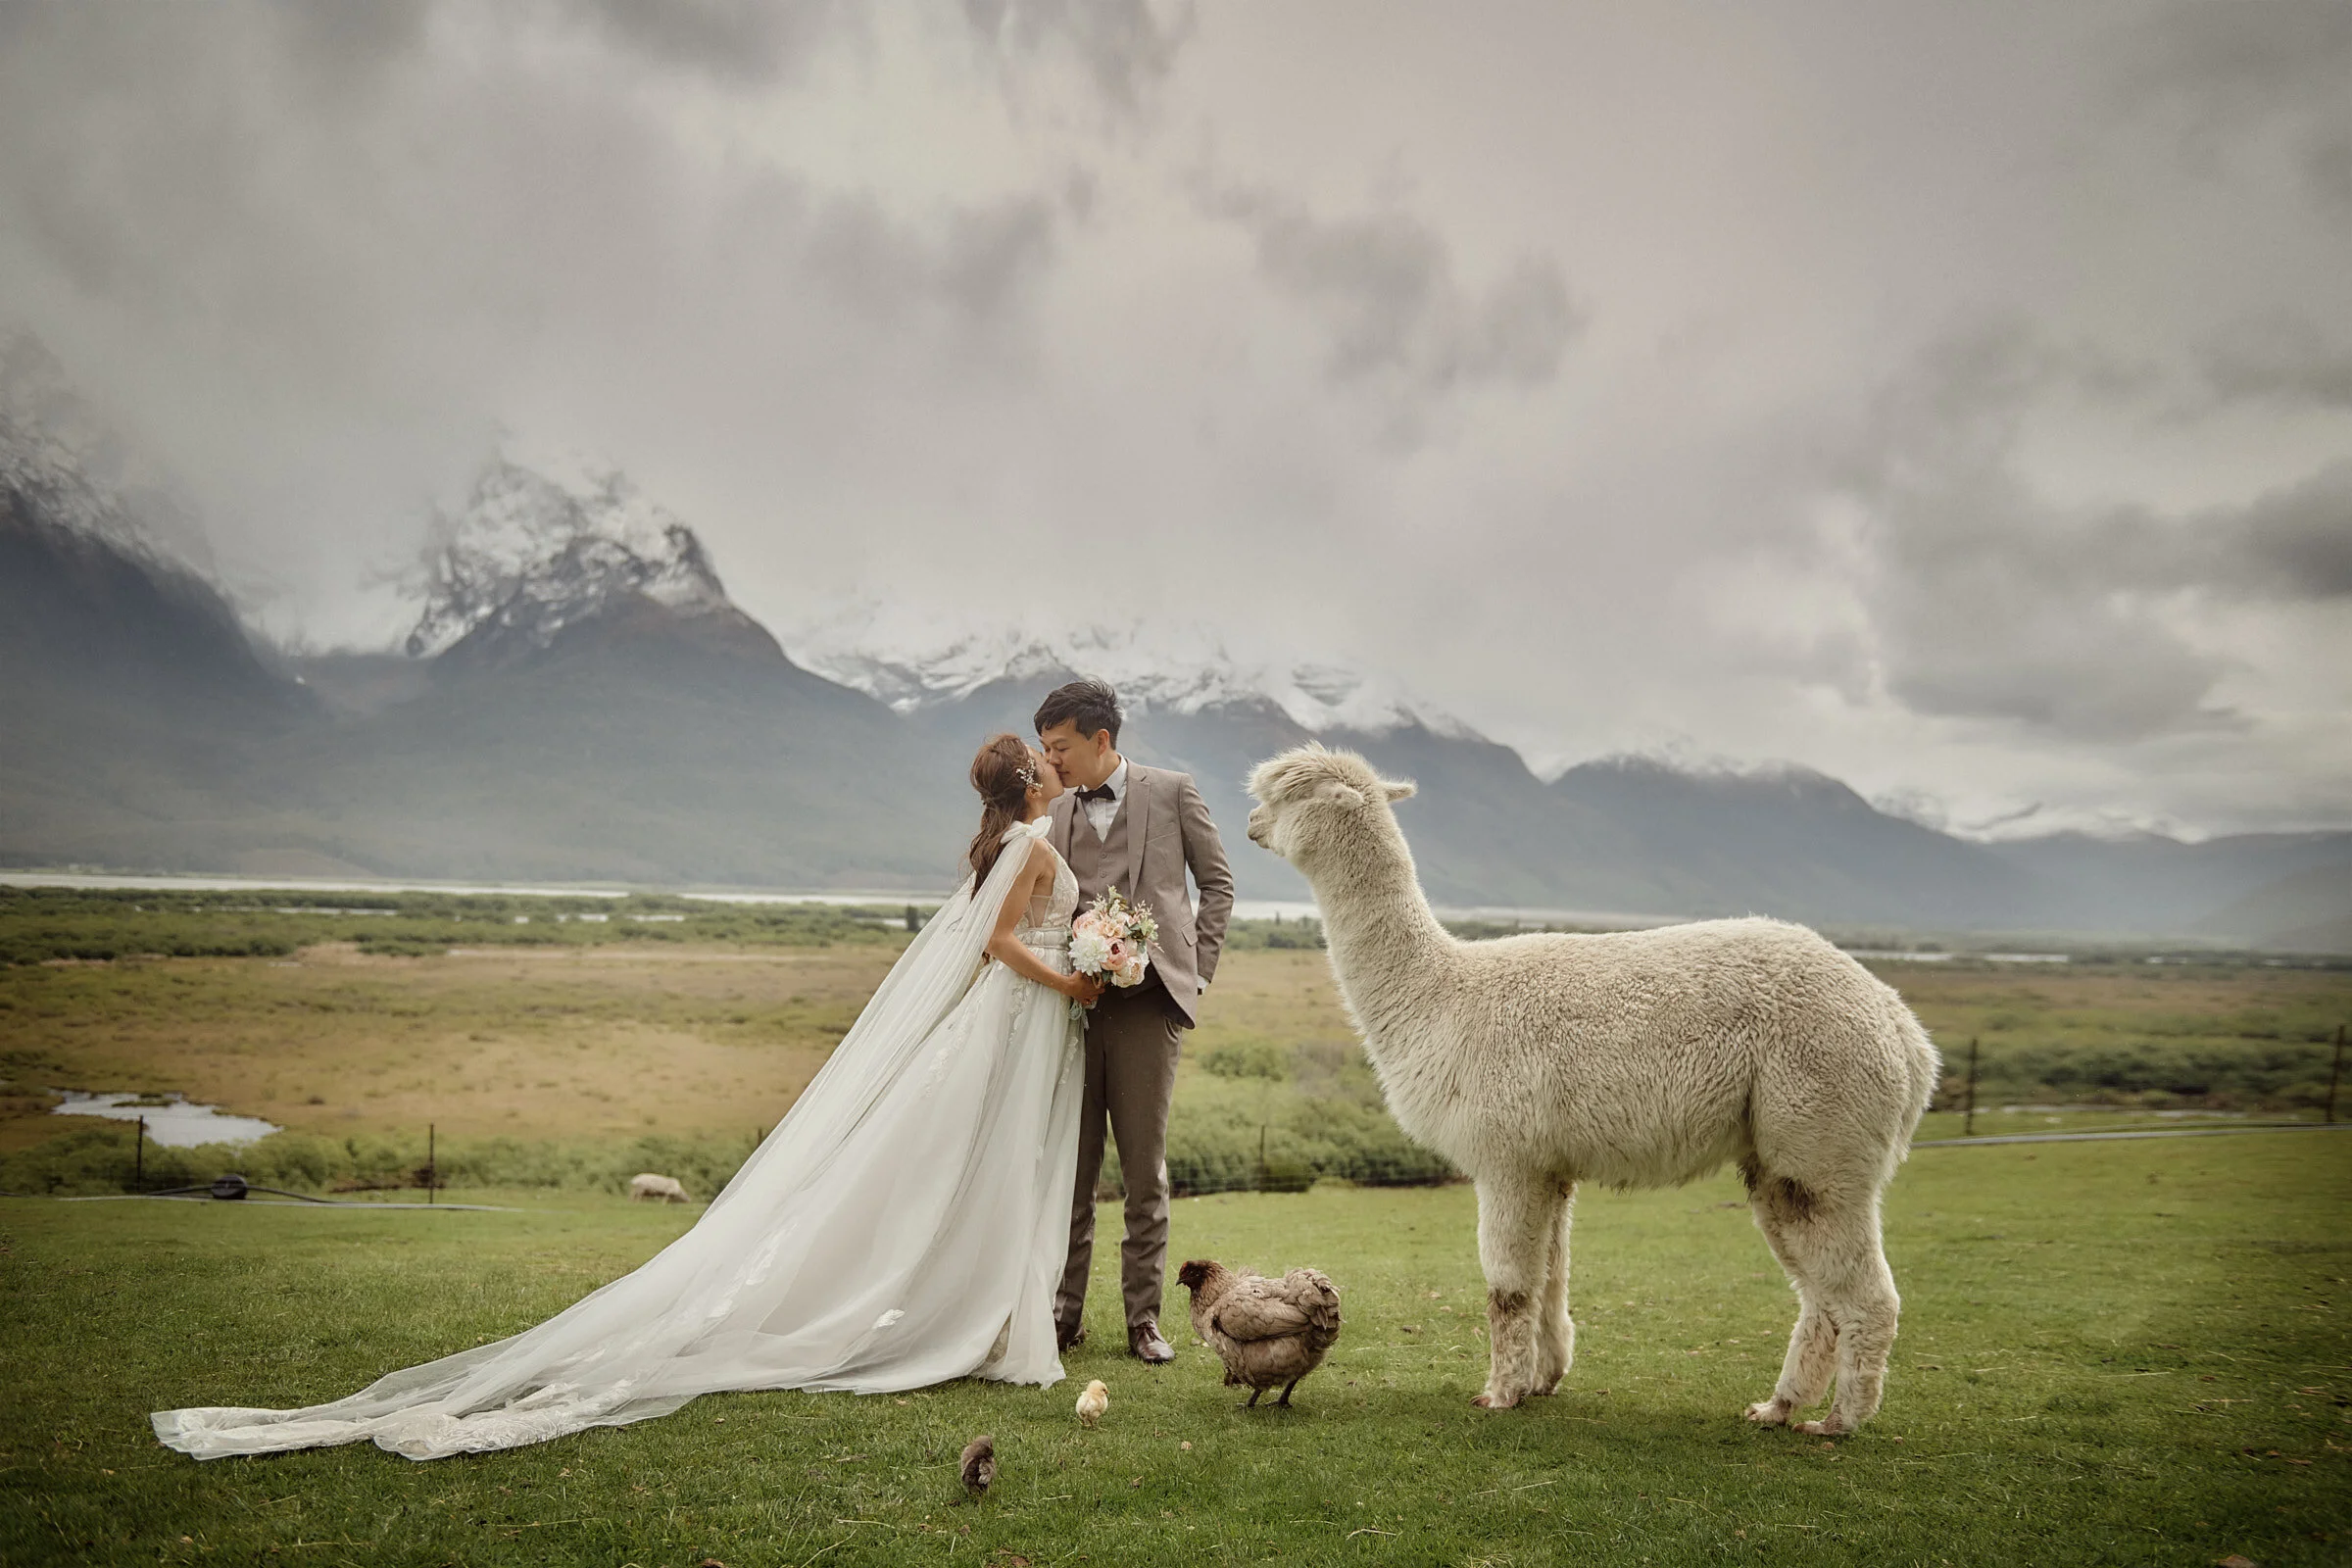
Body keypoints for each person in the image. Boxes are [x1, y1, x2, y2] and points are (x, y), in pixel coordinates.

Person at [152, 735, 1105, 1461]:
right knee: (996, 1163)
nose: (1056, 767)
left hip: (1022, 1024)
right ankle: (987, 1321)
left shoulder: (1009, 839)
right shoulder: (1025, 842)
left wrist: (1092, 953)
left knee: (1000, 1164)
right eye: (1044, 762)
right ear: (1027, 782)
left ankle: (990, 1317)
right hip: (1020, 1015)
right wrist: (1075, 977)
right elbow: (995, 945)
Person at [1034, 679, 1235, 1364]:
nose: (1052, 762)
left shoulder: (1173, 791)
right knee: (1073, 1169)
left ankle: (1144, 1322)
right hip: (1070, 1008)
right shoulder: (1054, 811)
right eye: (1044, 750)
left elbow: (1218, 883)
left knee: (1145, 1173)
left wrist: (1197, 973)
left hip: (1150, 1010)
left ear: (1101, 740)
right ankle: (1064, 1317)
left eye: (1060, 748)